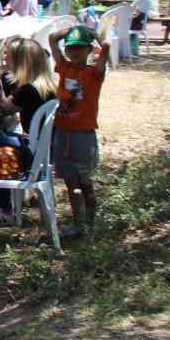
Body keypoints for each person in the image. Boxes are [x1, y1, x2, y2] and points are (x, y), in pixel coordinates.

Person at [48, 25, 107, 234]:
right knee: (70, 180)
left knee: (85, 180)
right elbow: (52, 39)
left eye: (80, 48)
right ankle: (78, 223)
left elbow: (106, 46)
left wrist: (94, 34)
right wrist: (72, 29)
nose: (75, 52)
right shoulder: (64, 67)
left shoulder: (94, 74)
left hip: (83, 132)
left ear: (89, 50)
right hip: (63, 131)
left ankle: (91, 222)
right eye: (71, 48)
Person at [0, 36, 57, 136]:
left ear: (20, 61)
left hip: (32, 143)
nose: (4, 57)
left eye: (8, 55)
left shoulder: (28, 89)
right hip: (45, 141)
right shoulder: (44, 84)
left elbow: (4, 108)